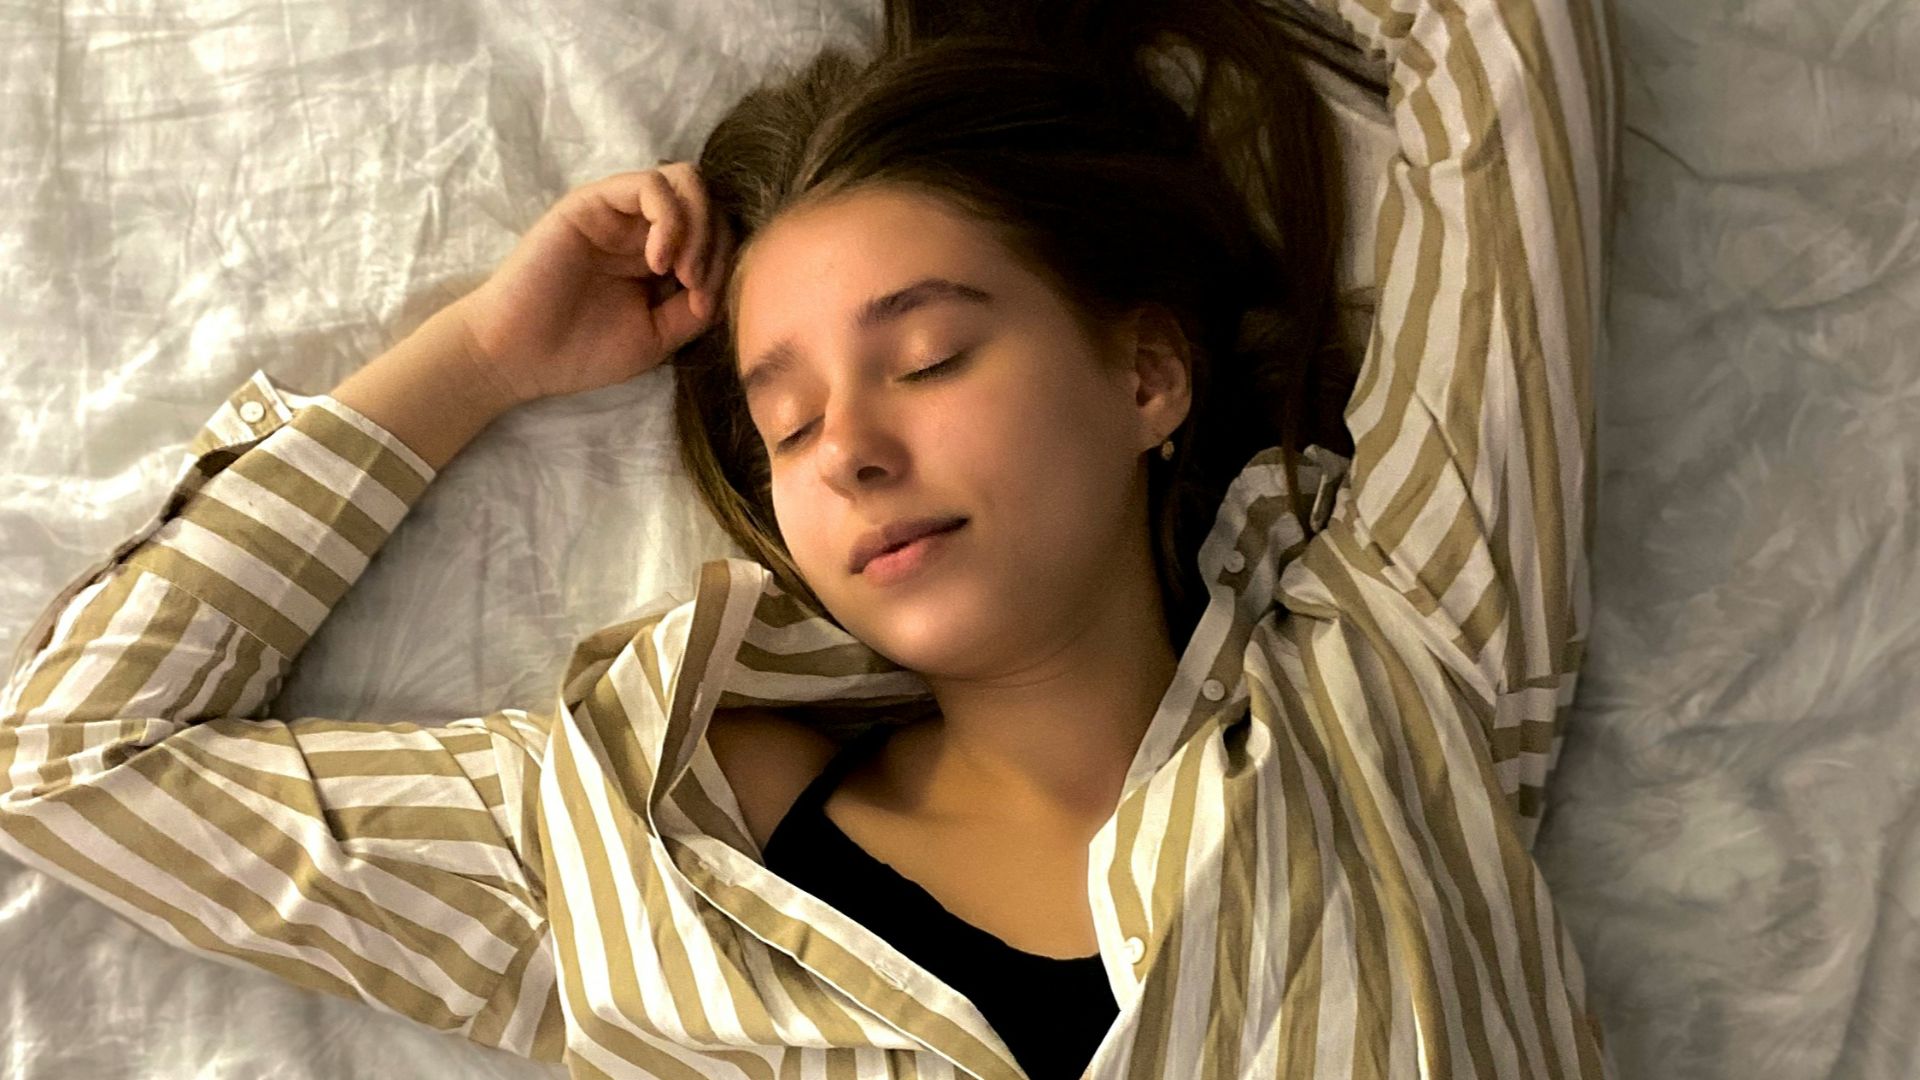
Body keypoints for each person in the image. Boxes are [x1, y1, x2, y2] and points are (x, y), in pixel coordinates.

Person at [0, 0, 1618, 1076]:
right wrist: (483, 361)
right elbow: (77, 758)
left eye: (928, 358)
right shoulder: (649, 842)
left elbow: (1503, 45)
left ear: (1144, 374)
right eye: (783, 421)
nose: (848, 446)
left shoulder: (1403, 659)